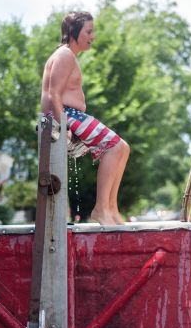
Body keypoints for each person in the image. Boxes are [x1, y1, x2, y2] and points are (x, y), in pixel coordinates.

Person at [41, 11, 130, 225]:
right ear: (74, 32)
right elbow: (54, 94)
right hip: (66, 115)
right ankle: (100, 209)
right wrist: (63, 125)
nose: (93, 36)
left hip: (73, 114)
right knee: (115, 147)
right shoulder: (64, 55)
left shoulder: (68, 56)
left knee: (123, 148)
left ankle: (110, 207)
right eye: (89, 31)